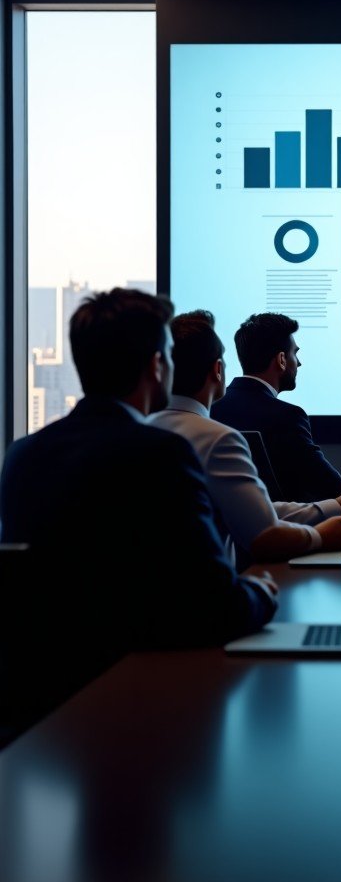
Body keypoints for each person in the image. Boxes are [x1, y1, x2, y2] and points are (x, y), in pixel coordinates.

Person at [0, 289, 278, 737]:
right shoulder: (160, 453)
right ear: (156, 365)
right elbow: (214, 607)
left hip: (43, 709)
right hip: (141, 702)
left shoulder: (23, 454)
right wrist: (261, 592)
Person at [151, 311, 341, 569]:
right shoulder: (218, 438)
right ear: (217, 370)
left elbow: (255, 509)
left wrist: (334, 506)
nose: (299, 363)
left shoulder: (146, 430)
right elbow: (262, 533)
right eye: (295, 354)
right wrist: (324, 529)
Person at [212, 312, 341, 503]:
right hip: (287, 527)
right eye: (295, 353)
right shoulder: (288, 416)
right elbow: (331, 487)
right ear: (281, 360)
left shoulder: (211, 409)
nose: (299, 363)